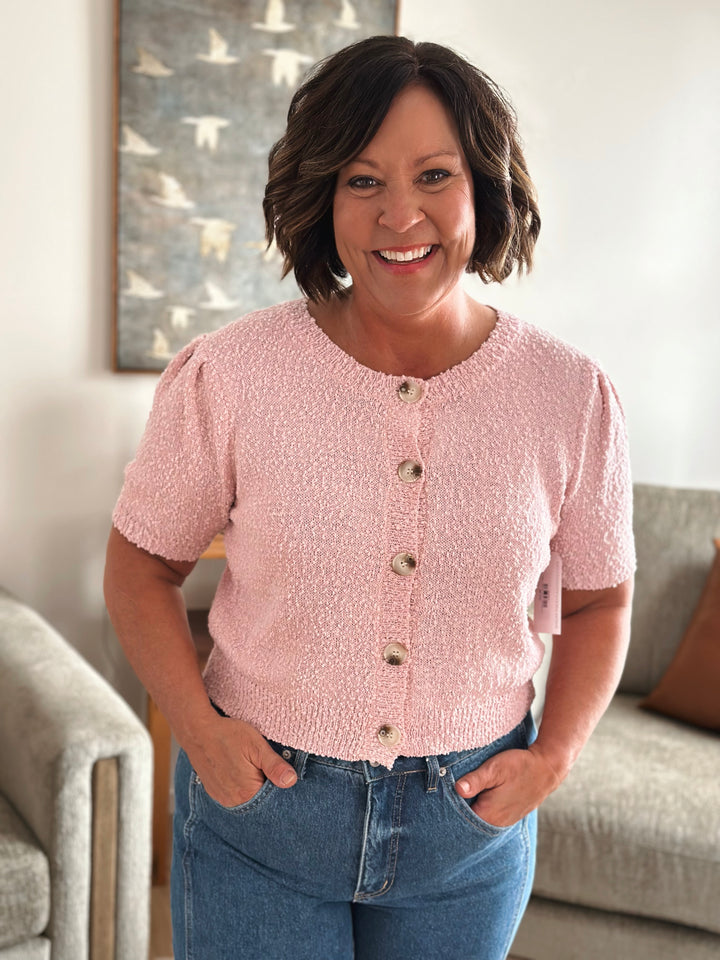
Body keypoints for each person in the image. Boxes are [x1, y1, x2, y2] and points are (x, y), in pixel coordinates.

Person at [104, 35, 635, 960]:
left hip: (466, 835)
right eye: (361, 180)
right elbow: (140, 567)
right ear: (322, 197)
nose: (401, 215)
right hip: (259, 820)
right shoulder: (231, 376)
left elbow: (600, 599)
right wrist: (198, 731)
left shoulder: (569, 397)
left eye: (435, 175)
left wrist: (555, 756)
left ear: (486, 190)